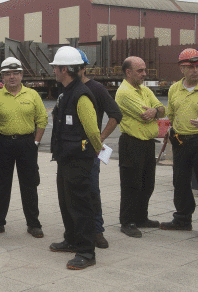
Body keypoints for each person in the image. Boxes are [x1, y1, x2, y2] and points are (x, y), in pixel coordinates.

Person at [49, 46, 102, 270]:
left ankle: (86, 252)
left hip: (79, 160)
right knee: (66, 201)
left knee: (80, 205)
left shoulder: (80, 95)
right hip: (66, 157)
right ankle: (71, 239)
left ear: (64, 69)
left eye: (55, 67)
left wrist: (97, 151)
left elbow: (92, 130)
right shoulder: (66, 92)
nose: (53, 71)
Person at [0, 57, 47, 239]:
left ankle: (33, 224)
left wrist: (35, 142)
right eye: (7, 74)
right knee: (1, 185)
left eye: (15, 73)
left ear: (21, 75)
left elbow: (42, 119)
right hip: (3, 144)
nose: (12, 77)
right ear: (2, 77)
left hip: (27, 143)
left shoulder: (32, 95)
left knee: (29, 185)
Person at [76, 49, 122, 249]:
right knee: (71, 191)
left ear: (84, 68)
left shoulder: (97, 89)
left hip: (89, 151)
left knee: (92, 190)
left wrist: (100, 139)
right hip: (70, 150)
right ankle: (76, 229)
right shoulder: (65, 89)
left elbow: (115, 115)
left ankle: (97, 230)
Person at [115, 56, 165, 238]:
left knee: (147, 183)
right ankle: (127, 221)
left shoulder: (144, 90)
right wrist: (154, 111)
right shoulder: (124, 92)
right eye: (140, 71)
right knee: (131, 184)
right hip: (132, 143)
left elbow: (162, 108)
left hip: (147, 143)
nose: (144, 74)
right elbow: (145, 114)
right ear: (128, 72)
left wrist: (155, 110)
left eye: (144, 70)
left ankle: (141, 217)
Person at [160, 49, 198, 231]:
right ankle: (182, 219)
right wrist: (170, 129)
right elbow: (171, 114)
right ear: (181, 68)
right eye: (190, 67)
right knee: (180, 181)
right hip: (180, 141)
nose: (195, 70)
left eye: (197, 66)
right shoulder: (174, 89)